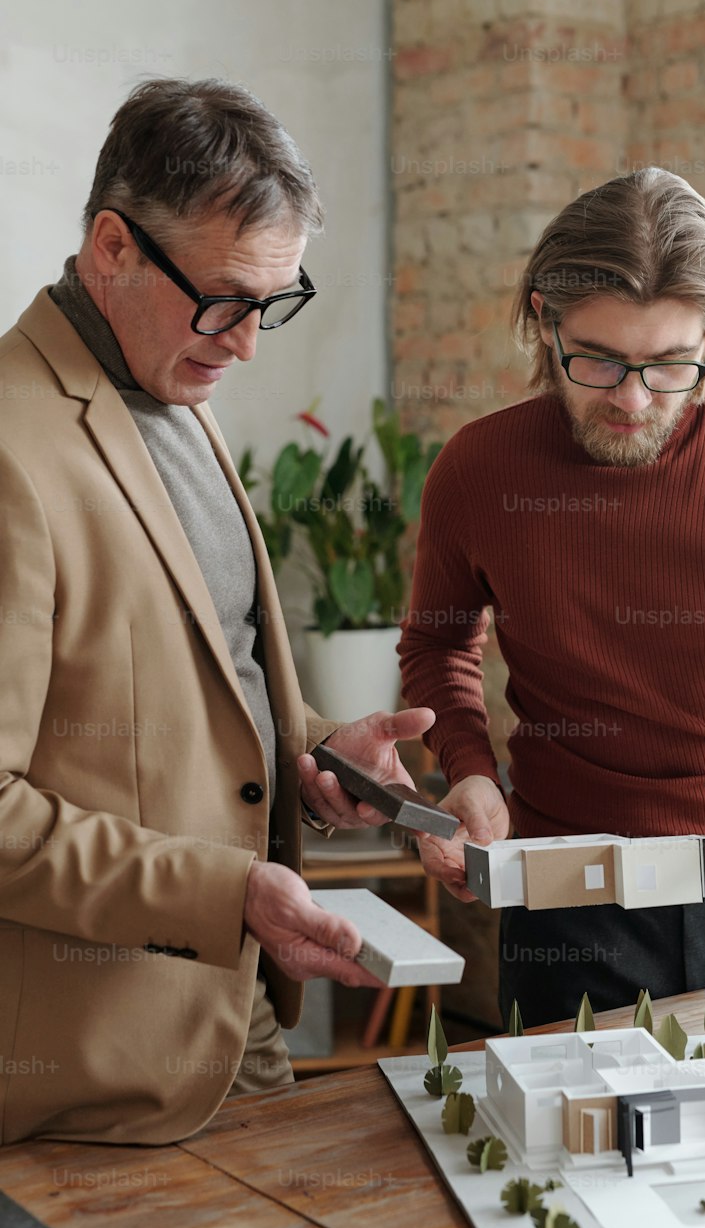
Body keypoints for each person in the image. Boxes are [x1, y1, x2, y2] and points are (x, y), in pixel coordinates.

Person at [0, 77, 428, 1146]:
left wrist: (323, 757)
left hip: (239, 1026)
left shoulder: (178, 396)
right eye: (228, 299)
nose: (246, 344)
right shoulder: (10, 447)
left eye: (274, 304)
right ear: (113, 247)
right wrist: (225, 894)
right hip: (90, 1078)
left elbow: (211, 695)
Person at [399, 167, 705, 1027]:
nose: (631, 399)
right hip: (562, 898)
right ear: (544, 325)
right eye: (597, 359)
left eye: (669, 365)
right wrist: (471, 772)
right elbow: (438, 647)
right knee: (552, 1157)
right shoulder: (478, 471)